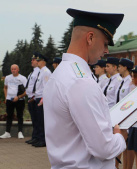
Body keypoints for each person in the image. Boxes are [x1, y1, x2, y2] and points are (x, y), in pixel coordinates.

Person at [43, 8, 126, 168]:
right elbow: (104, 149)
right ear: (90, 38)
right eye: (105, 43)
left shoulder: (60, 73)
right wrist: (119, 137)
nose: (107, 50)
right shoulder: (80, 80)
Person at [116, 58, 135, 169]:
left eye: (120, 66)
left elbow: (131, 102)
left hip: (127, 119)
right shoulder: (122, 81)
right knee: (122, 145)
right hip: (120, 118)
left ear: (125, 68)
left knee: (128, 146)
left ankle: (128, 167)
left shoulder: (130, 83)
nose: (118, 68)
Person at [0, 64, 27, 139]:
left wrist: (18, 97)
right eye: (12, 69)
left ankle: (20, 132)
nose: (13, 70)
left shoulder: (23, 78)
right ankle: (7, 132)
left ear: (18, 70)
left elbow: (26, 91)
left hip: (20, 100)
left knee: (20, 116)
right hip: (9, 100)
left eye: (15, 69)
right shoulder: (8, 78)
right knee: (9, 116)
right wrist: (6, 97)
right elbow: (5, 88)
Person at [31, 53, 52, 147]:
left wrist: (42, 100)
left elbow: (47, 87)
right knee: (39, 120)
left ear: (43, 62)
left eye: (39, 61)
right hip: (37, 98)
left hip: (42, 99)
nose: (37, 62)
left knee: (42, 121)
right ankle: (39, 138)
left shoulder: (46, 72)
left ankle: (43, 140)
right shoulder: (41, 72)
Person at [25, 52, 41, 144]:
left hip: (35, 98)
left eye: (34, 60)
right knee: (34, 119)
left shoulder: (39, 72)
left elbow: (38, 87)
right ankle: (35, 136)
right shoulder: (32, 73)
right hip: (30, 98)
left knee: (38, 120)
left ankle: (38, 137)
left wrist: (34, 97)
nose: (32, 61)